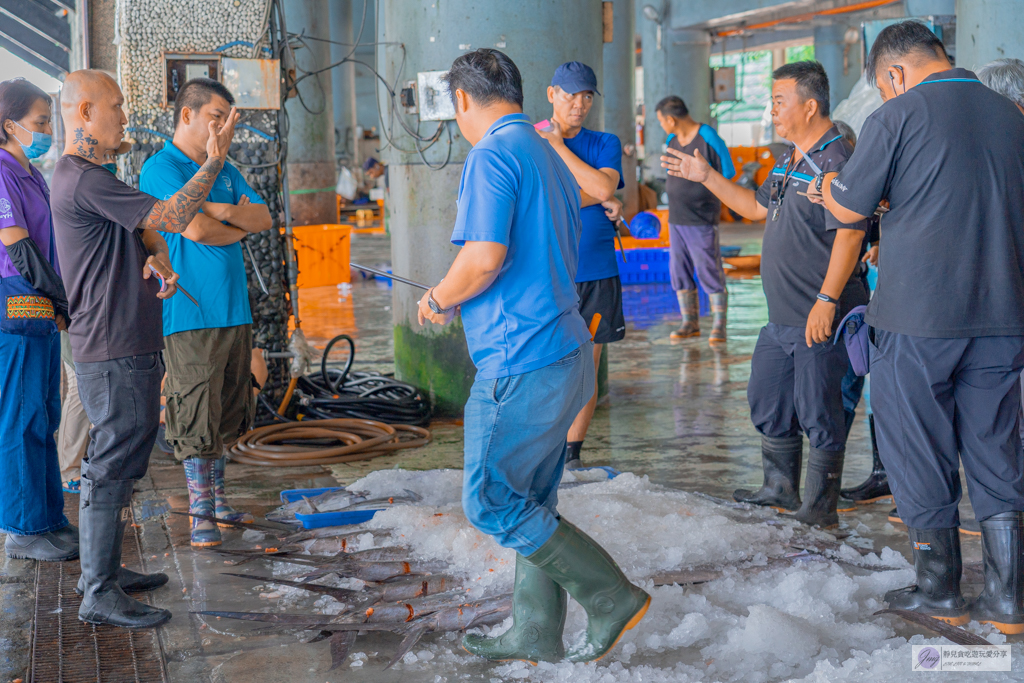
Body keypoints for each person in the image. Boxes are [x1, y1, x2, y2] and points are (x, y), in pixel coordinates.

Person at [419, 48, 649, 664]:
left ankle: (610, 596)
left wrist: (439, 297)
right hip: (567, 350)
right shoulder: (547, 154)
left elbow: (484, 257)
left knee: (491, 501)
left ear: (462, 100)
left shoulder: (492, 153)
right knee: (530, 500)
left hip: (521, 360)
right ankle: (535, 630)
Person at [819, 21, 1024, 633]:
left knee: (918, 445)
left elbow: (851, 209)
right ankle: (1010, 600)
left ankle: (939, 589)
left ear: (894, 74)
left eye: (884, 86)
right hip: (1004, 316)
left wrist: (830, 187)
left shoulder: (897, 115)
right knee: (997, 445)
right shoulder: (1013, 116)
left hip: (918, 319)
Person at [51, 69, 238, 629]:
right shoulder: (82, 177)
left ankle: (102, 573)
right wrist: (213, 160)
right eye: (115, 105)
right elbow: (175, 215)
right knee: (108, 467)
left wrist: (152, 254)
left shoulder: (91, 175)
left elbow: (141, 228)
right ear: (83, 112)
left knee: (120, 463)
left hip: (119, 340)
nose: (125, 116)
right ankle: (99, 591)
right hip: (110, 344)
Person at [661, 61, 868, 529]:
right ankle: (779, 487)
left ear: (809, 105)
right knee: (769, 396)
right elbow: (755, 208)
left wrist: (828, 300)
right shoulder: (789, 157)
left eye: (779, 101)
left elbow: (851, 234)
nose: (771, 110)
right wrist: (705, 175)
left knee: (821, 408)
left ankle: (820, 507)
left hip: (819, 311)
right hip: (781, 315)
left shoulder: (838, 157)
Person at [140, 78, 270, 547]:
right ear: (187, 115)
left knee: (229, 409)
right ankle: (200, 516)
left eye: (229, 120)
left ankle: (218, 501)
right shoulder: (161, 170)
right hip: (190, 312)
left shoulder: (226, 170)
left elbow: (263, 218)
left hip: (234, 309)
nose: (224, 128)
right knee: (194, 411)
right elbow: (194, 229)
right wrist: (224, 216)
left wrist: (220, 211)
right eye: (217, 118)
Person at [0, 79, 76, 561]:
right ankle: (22, 530)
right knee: (20, 417)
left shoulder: (33, 172)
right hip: (16, 304)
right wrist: (61, 294)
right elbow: (19, 247)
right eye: (41, 123)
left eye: (50, 121)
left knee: (45, 414)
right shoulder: (2, 172)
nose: (49, 130)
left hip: (41, 309)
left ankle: (48, 518)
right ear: (10, 126)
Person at [536, 61, 625, 469]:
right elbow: (535, 199)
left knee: (587, 365)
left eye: (587, 95)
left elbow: (605, 186)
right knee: (543, 362)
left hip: (596, 270)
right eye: (570, 94)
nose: (579, 103)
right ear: (552, 94)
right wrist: (594, 192)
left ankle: (571, 456)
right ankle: (540, 448)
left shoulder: (605, 141)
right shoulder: (527, 139)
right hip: (546, 270)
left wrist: (559, 149)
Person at [655, 95, 735, 344]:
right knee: (679, 270)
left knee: (708, 269)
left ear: (670, 119)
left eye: (660, 121)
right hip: (676, 218)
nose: (661, 126)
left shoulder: (707, 135)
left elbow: (728, 170)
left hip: (701, 217)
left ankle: (719, 325)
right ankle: (689, 322)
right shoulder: (671, 140)